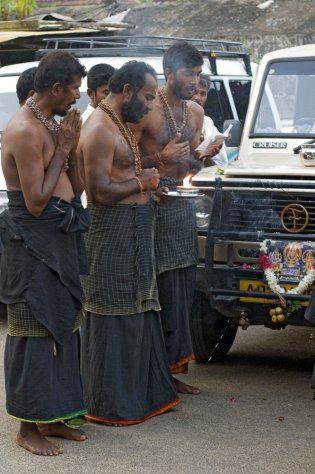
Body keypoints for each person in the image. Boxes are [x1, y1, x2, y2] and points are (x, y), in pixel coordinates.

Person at [78, 60, 180, 425]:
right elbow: (100, 191)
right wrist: (143, 184)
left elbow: (126, 172)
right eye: (149, 97)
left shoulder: (120, 123)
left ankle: (140, 395)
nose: (152, 105)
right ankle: (110, 404)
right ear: (127, 91)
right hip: (111, 234)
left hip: (135, 229)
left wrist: (151, 181)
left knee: (138, 309)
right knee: (112, 313)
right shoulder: (99, 130)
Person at [0, 50, 89, 456]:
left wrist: (70, 144)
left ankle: (51, 417)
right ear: (55, 88)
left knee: (63, 327)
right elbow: (35, 201)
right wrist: (65, 145)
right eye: (74, 89)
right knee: (32, 333)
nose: (78, 96)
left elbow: (74, 185)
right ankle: (26, 427)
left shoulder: (50, 123)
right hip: (32, 243)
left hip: (60, 234)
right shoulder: (22, 130)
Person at [130, 42, 221, 395]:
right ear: (169, 74)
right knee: (159, 287)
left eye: (197, 75)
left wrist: (204, 155)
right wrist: (160, 157)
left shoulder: (196, 113)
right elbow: (128, 160)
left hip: (182, 207)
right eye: (188, 74)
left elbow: (191, 164)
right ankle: (155, 371)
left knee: (182, 287)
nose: (193, 81)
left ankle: (172, 368)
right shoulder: (148, 110)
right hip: (152, 205)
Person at [192, 73, 228, 167]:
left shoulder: (208, 124)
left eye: (203, 94)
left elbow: (220, 167)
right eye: (194, 92)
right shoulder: (174, 120)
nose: (198, 98)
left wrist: (205, 155)